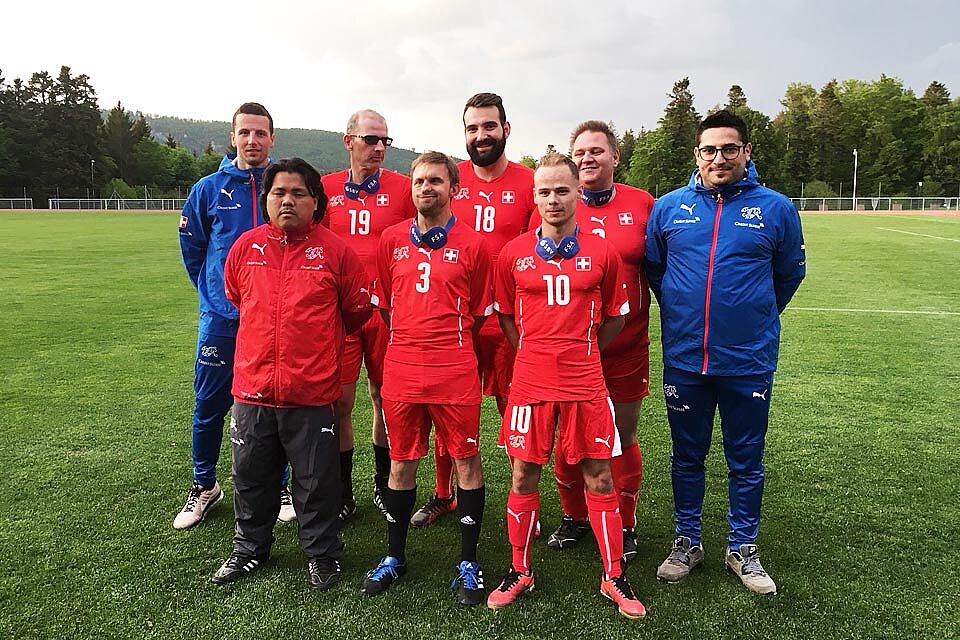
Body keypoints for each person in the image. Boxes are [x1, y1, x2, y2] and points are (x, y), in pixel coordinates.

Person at [645, 109, 806, 595]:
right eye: (710, 149)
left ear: (746, 152)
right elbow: (656, 272)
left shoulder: (776, 208)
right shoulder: (669, 208)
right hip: (686, 358)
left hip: (748, 360)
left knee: (746, 459)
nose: (719, 158)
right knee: (686, 456)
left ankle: (743, 547)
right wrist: (683, 312)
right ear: (697, 154)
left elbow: (789, 275)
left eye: (729, 149)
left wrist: (752, 317)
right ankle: (687, 540)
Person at [486, 152, 645, 619]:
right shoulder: (513, 254)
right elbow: (508, 321)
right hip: (530, 383)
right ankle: (520, 570)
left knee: (599, 475)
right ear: (534, 198)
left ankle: (613, 575)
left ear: (577, 192)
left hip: (586, 380)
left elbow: (615, 319)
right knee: (522, 474)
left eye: (561, 190)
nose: (553, 200)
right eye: (543, 192)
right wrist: (537, 351)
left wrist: (579, 350)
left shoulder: (603, 252)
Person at [212, 157, 372, 589]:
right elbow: (235, 297)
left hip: (311, 392)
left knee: (316, 484)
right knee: (250, 478)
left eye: (299, 193)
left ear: (316, 202)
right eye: (279, 192)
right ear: (266, 199)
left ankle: (323, 555)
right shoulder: (246, 247)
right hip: (253, 390)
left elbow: (356, 312)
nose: (288, 200)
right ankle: (249, 549)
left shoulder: (336, 252)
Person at [361, 152, 492, 606]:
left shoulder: (475, 244)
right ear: (411, 188)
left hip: (455, 367)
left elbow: (477, 311)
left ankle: (469, 563)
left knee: (466, 462)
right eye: (419, 181)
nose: (426, 188)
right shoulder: (391, 239)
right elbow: (385, 306)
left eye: (436, 180)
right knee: (401, 462)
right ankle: (394, 557)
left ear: (454, 188)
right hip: (402, 367)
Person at [409, 92, 536, 529]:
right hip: (455, 324)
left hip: (507, 320)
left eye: (489, 126)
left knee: (515, 409)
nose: (481, 136)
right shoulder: (448, 181)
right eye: (472, 128)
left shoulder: (528, 182)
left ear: (505, 129)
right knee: (447, 407)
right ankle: (444, 494)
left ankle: (523, 499)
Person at [175, 102, 295, 528]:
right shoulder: (208, 188)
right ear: (232, 136)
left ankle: (281, 485)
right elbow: (193, 251)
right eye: (245, 132)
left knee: (275, 404)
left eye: (260, 133)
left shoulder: (283, 188)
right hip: (222, 321)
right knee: (209, 404)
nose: (252, 141)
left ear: (272, 139)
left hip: (272, 321)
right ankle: (204, 485)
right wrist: (214, 296)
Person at [545, 121, 654, 564]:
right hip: (572, 350)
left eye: (597, 151)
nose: (588, 158)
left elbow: (660, 269)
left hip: (627, 345)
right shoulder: (558, 203)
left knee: (622, 435)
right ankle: (574, 518)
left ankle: (625, 524)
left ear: (615, 157)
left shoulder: (643, 204)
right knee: (566, 435)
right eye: (581, 152)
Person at [321, 109, 416, 522]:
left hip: (386, 313)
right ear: (348, 141)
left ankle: (382, 483)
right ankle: (342, 492)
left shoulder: (404, 189)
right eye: (370, 139)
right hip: (339, 315)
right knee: (339, 403)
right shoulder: (325, 189)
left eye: (385, 141)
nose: (378, 148)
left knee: (384, 399)